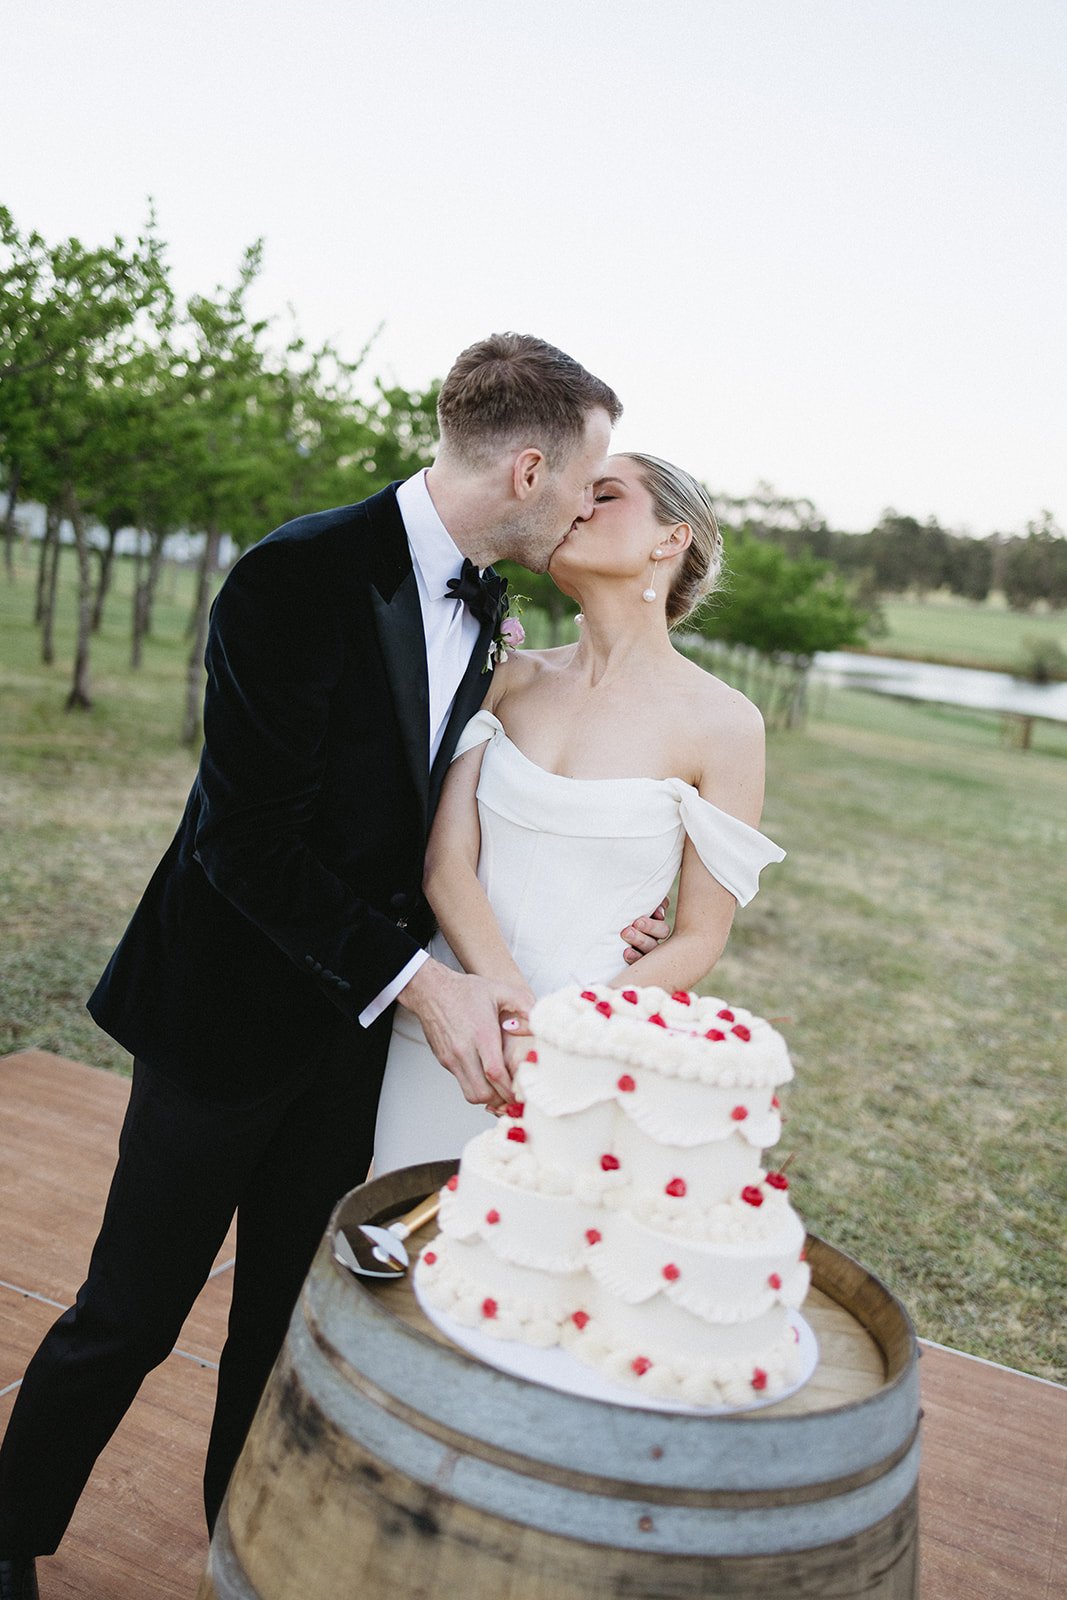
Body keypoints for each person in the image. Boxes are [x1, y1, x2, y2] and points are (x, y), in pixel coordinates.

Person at [0, 335, 674, 1600]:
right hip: (225, 1014)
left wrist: (618, 914)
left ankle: (239, 1547)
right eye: (584, 480)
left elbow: (437, 822)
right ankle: (8, 1532)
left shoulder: (487, 608)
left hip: (350, 1038)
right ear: (526, 470)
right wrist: (421, 982)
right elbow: (244, 841)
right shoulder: (297, 572)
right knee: (129, 1314)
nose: (587, 506)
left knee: (278, 1330)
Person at [374, 450, 785, 1174]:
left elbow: (697, 936)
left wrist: (562, 1032)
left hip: (586, 1046)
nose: (576, 505)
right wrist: (510, 1011)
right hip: (455, 1023)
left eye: (607, 494)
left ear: (671, 538)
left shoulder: (726, 724)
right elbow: (445, 864)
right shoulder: (508, 675)